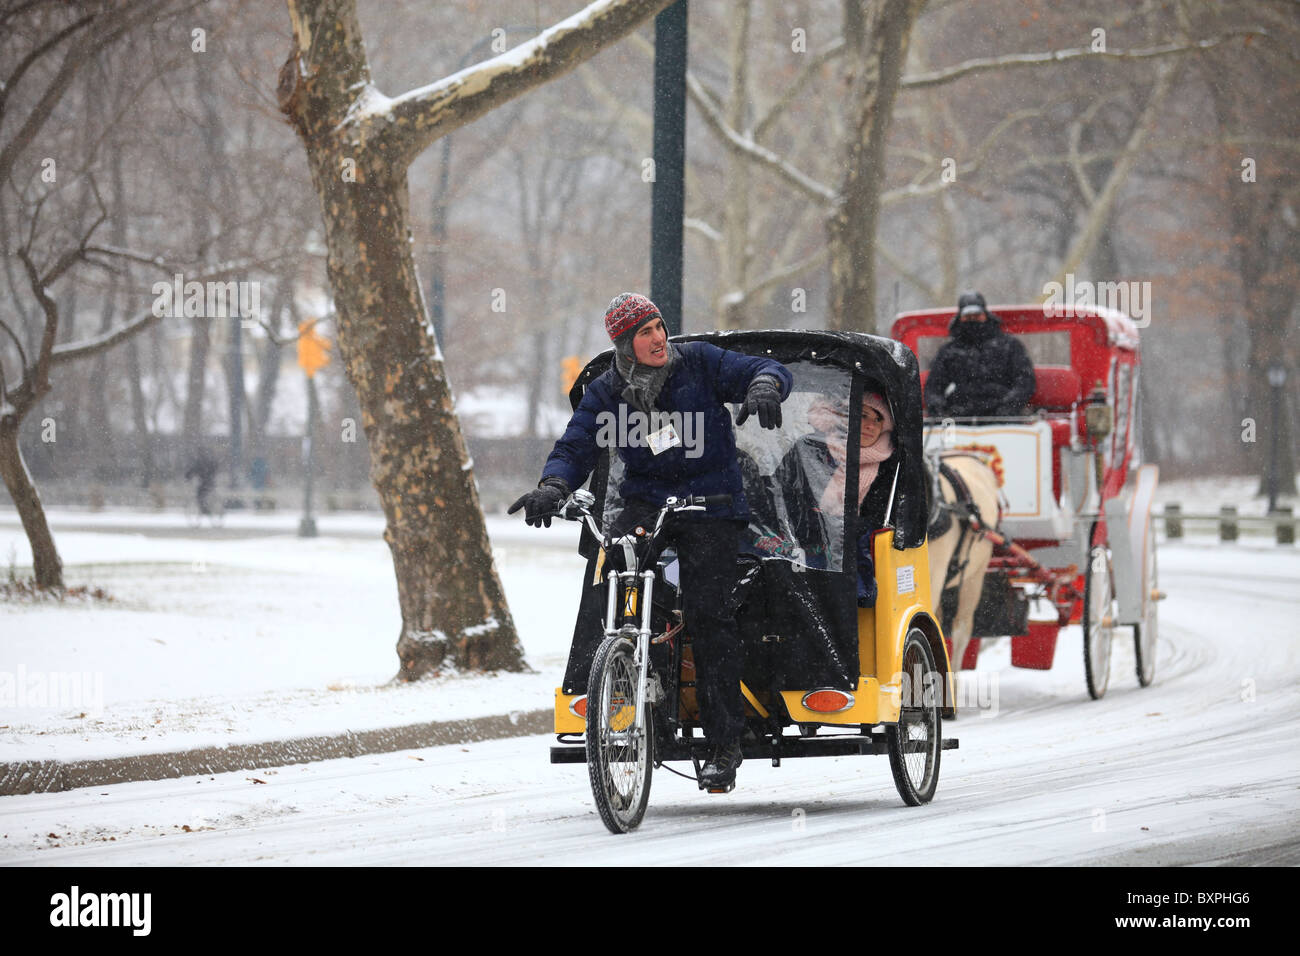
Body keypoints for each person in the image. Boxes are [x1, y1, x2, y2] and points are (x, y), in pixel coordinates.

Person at [509, 293, 792, 791]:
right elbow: (575, 445)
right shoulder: (607, 392)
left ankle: (724, 743)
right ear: (624, 344)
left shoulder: (700, 363)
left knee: (709, 615)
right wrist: (554, 487)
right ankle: (639, 701)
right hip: (647, 506)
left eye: (659, 326)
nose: (658, 337)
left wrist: (767, 385)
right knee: (620, 588)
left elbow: (761, 370)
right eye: (644, 332)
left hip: (712, 504)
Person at [774, 392, 898, 606]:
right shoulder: (810, 448)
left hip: (852, 556)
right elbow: (782, 496)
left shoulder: (889, 463)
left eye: (879, 420)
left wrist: (846, 526)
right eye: (863, 416)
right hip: (804, 547)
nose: (871, 426)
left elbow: (879, 519)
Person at [924, 291, 1035, 418]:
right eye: (968, 316)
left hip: (1002, 415)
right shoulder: (949, 351)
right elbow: (933, 387)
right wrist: (938, 408)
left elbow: (1025, 381)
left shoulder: (1009, 346)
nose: (973, 319)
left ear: (985, 315)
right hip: (959, 416)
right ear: (960, 318)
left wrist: (1009, 406)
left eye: (977, 315)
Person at [184, 447, 219, 517]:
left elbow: (193, 470)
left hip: (205, 483)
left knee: (199, 496)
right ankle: (206, 508)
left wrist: (188, 477)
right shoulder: (209, 461)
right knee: (204, 495)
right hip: (210, 482)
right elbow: (215, 468)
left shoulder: (200, 462)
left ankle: (204, 509)